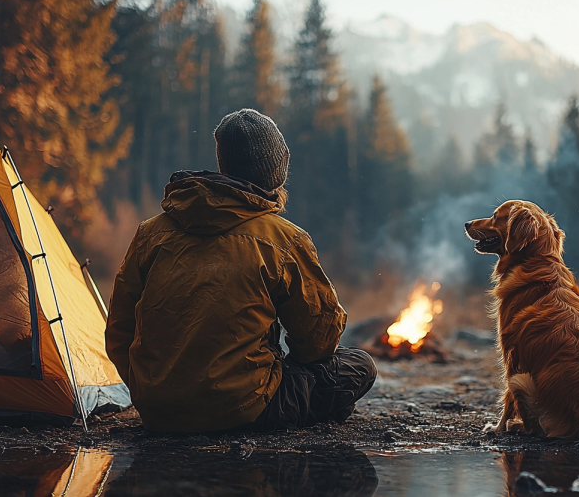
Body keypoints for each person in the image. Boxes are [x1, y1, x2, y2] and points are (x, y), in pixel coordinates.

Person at [105, 109, 376, 434]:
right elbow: (321, 339)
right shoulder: (284, 239)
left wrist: (152, 391)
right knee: (359, 367)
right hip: (245, 410)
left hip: (158, 412)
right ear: (277, 170)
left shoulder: (150, 233)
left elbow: (119, 331)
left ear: (225, 164)